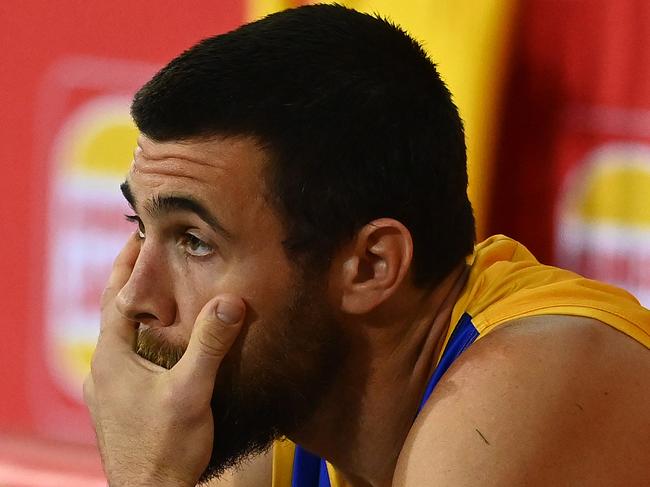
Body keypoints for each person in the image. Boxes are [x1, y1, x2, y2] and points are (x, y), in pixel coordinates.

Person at [83, 4, 650, 486]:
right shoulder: (282, 414)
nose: (136, 298)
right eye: (140, 225)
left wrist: (147, 476)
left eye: (195, 241)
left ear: (371, 266)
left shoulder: (527, 389)